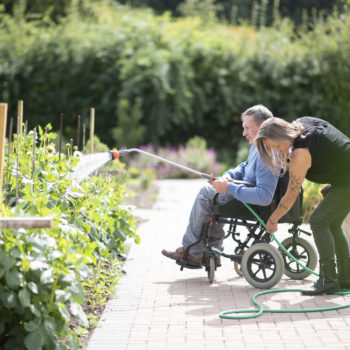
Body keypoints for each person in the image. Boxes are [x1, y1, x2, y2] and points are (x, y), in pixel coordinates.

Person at [162, 105, 279, 267]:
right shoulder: (258, 146)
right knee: (213, 194)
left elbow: (264, 196)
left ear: (259, 127)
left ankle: (192, 252)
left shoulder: (268, 155)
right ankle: (212, 252)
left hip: (249, 202)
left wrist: (229, 188)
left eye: (246, 128)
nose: (243, 133)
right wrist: (229, 176)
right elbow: (245, 166)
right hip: (242, 191)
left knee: (206, 193)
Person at [255, 116, 350, 295]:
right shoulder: (303, 123)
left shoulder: (301, 152)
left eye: (276, 146)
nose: (277, 150)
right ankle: (346, 278)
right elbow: (333, 149)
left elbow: (291, 194)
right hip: (344, 179)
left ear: (283, 135)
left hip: (347, 182)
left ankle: (328, 280)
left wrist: (273, 219)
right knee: (332, 223)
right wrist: (333, 182)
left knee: (318, 221)